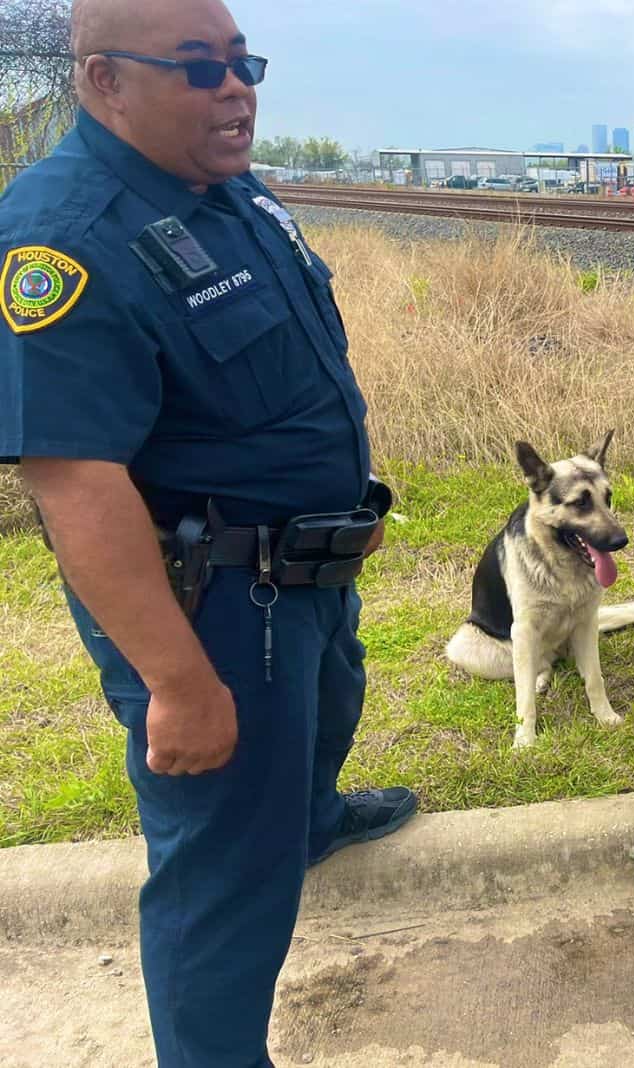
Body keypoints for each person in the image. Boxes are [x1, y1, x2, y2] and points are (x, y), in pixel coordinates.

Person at [1, 1, 416, 1061]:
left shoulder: (233, 191)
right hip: (216, 608)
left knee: (329, 706)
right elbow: (76, 486)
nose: (236, 89)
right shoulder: (65, 239)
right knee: (223, 876)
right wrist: (181, 686)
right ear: (104, 81)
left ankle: (310, 819)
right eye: (199, 68)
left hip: (307, 575)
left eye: (242, 63)